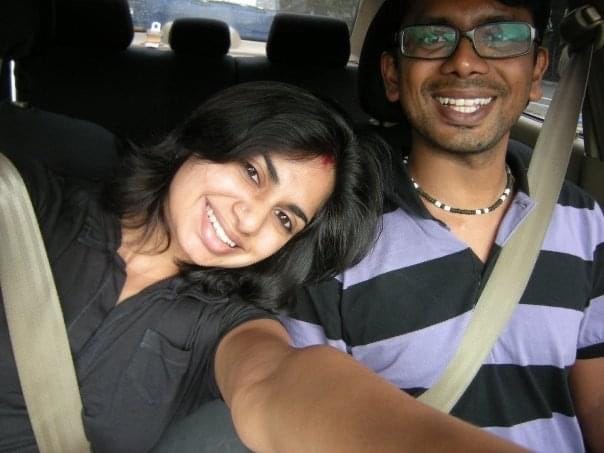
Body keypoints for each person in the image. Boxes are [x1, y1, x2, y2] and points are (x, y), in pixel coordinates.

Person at [0, 81, 526, 453]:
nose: (250, 220)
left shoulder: (226, 323)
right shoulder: (31, 208)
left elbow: (276, 379)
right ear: (207, 138)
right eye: (252, 172)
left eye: (284, 217)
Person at [285, 1, 604, 452]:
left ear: (536, 73)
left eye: (501, 36)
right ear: (393, 75)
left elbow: (596, 400)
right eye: (432, 38)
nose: (465, 62)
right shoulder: (332, 226)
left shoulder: (584, 221)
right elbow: (304, 414)